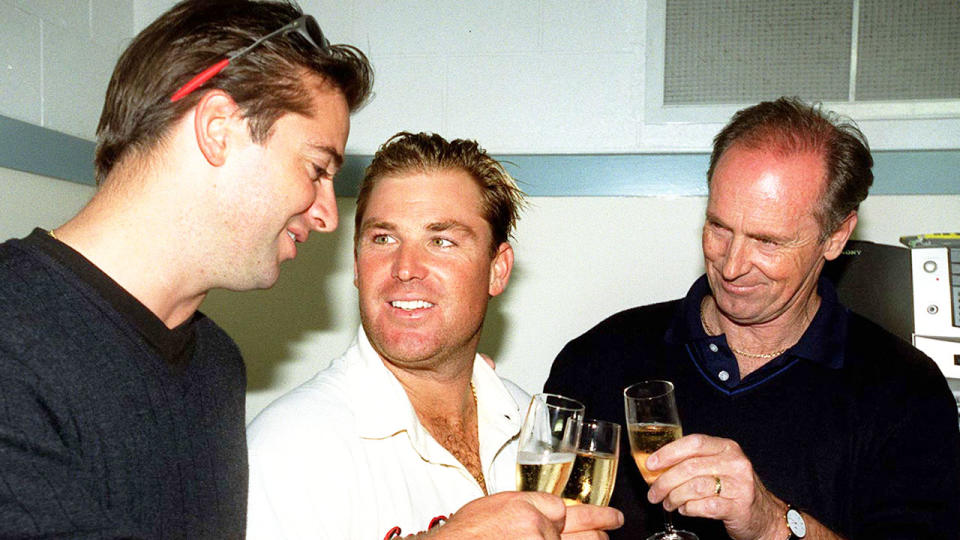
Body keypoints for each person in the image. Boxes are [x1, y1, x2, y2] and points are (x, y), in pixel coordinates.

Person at [0, 1, 372, 537]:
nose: (327, 215)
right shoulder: (13, 341)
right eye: (316, 169)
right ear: (218, 129)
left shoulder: (214, 365)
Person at [545, 97, 960, 539]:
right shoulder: (600, 357)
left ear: (836, 236)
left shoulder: (905, 392)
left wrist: (771, 524)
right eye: (719, 227)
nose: (732, 264)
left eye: (768, 241)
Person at [246, 132, 623, 539]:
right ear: (356, 265)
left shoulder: (530, 425)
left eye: (441, 241)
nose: (405, 267)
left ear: (497, 269)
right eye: (383, 238)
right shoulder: (292, 447)